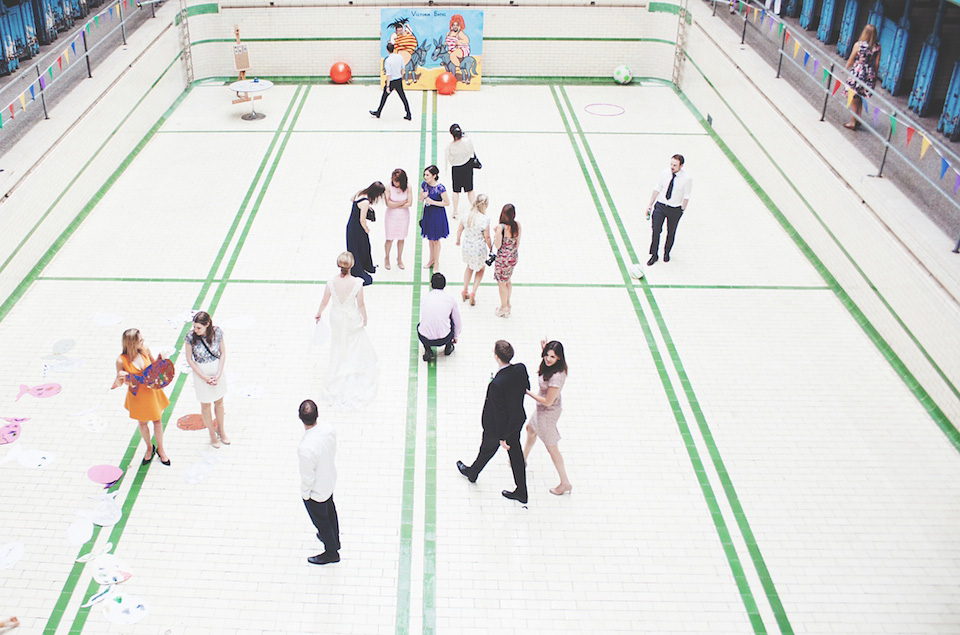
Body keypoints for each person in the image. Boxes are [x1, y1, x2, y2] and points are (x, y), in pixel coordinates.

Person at [457, 340, 531, 504]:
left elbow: (499, 413)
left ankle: (473, 472)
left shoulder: (496, 384)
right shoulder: (520, 369)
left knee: (487, 449)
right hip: (516, 420)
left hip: (498, 428)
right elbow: (527, 387)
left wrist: (502, 437)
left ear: (496, 357)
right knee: (516, 455)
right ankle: (521, 491)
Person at [315, 252, 378, 409]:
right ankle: (353, 366)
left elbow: (324, 300)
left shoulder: (331, 282)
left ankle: (339, 366)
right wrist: (365, 318)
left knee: (338, 343)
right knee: (354, 343)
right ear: (351, 265)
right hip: (351, 317)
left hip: (336, 317)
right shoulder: (357, 283)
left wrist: (319, 313)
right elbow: (361, 304)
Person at [111, 328, 171, 466]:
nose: (143, 342)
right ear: (131, 344)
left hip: (151, 392)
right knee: (142, 423)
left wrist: (160, 360)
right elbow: (119, 383)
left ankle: (161, 449)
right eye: (140, 340)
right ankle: (149, 447)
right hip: (137, 395)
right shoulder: (121, 360)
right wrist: (121, 378)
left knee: (157, 420)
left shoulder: (145, 350)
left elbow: (153, 367)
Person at [523, 340, 572, 496]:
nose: (548, 359)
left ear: (559, 358)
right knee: (530, 429)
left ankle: (565, 482)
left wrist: (527, 392)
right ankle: (522, 459)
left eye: (553, 356)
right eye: (547, 355)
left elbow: (548, 401)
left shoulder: (556, 377)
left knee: (552, 448)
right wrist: (545, 350)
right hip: (542, 410)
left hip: (547, 413)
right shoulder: (553, 365)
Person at [297, 399, 340, 565]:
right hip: (329, 479)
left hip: (316, 492)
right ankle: (333, 539)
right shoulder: (328, 429)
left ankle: (331, 551)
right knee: (330, 513)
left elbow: (308, 477)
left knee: (322, 521)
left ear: (300, 418)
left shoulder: (305, 447)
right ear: (317, 414)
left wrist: (305, 495)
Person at [184, 311, 230, 449]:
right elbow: (189, 360)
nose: (195, 330)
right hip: (201, 372)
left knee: (219, 401)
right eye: (194, 327)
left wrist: (219, 373)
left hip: (216, 369)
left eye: (199, 327)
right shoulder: (190, 337)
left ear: (207, 324)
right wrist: (203, 377)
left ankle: (221, 429)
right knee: (205, 405)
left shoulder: (217, 333)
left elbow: (222, 353)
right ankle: (211, 432)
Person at [645, 154, 692, 266]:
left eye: (675, 165)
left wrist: (682, 210)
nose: (672, 166)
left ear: (681, 165)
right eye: (671, 164)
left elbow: (686, 196)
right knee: (656, 230)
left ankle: (667, 252)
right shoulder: (664, 173)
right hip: (661, 205)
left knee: (671, 232)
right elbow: (657, 188)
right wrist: (650, 204)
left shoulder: (686, 179)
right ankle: (654, 254)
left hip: (674, 209)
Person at [417, 272, 462, 362]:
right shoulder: (450, 300)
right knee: (452, 320)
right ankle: (448, 347)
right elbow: (457, 322)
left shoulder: (425, 298)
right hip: (444, 338)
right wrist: (455, 336)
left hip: (425, 338)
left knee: (420, 324)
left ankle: (428, 350)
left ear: (431, 284)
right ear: (444, 285)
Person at [456, 193, 492, 305]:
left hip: (467, 247)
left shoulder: (467, 215)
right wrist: (491, 249)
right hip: (478, 248)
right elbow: (487, 237)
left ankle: (465, 289)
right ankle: (473, 292)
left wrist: (458, 240)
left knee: (469, 267)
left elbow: (459, 229)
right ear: (485, 205)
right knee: (480, 269)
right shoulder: (485, 219)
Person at [347, 182, 385, 286]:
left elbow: (351, 199)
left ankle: (362, 266)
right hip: (357, 228)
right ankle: (359, 269)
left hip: (351, 225)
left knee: (359, 247)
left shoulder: (360, 193)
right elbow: (362, 220)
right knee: (362, 247)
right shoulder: (365, 202)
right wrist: (366, 229)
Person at [845, 25, 880, 131]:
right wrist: (874, 75)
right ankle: (858, 119)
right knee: (860, 97)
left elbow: (851, 59)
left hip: (858, 72)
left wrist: (846, 68)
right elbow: (877, 63)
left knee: (854, 97)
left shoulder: (858, 45)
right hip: (869, 73)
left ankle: (852, 122)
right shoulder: (877, 46)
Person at [419, 165, 451, 271]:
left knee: (436, 240)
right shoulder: (424, 185)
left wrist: (433, 202)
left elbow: (447, 203)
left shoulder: (440, 188)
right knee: (430, 238)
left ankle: (437, 262)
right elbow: (420, 199)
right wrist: (423, 196)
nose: (425, 177)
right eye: (424, 174)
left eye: (427, 175)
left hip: (437, 214)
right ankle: (431, 259)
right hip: (428, 213)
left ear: (434, 175)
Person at [370, 42, 412, 121]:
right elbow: (403, 69)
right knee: (403, 97)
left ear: (387, 50)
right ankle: (409, 113)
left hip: (392, 81)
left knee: (384, 97)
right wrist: (401, 77)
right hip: (399, 80)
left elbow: (388, 74)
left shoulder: (388, 60)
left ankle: (378, 112)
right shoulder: (400, 57)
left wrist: (388, 86)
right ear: (394, 48)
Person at [492, 203, 520, 318]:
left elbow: (498, 246)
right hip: (513, 257)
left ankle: (503, 308)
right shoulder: (517, 225)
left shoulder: (501, 228)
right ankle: (507, 303)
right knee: (508, 280)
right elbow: (517, 244)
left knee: (501, 283)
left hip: (503, 259)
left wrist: (496, 234)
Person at [444, 123, 477, 219]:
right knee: (470, 190)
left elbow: (449, 159)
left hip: (456, 168)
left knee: (455, 190)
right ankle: (474, 208)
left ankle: (455, 211)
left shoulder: (450, 146)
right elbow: (471, 152)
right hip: (467, 166)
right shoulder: (467, 141)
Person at [384, 168, 411, 270]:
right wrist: (402, 203)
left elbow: (410, 203)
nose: (395, 183)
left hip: (403, 217)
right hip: (391, 216)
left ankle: (399, 259)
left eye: (397, 181)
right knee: (389, 238)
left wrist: (395, 204)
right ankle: (387, 258)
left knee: (401, 238)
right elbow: (388, 204)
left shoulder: (408, 187)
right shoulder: (388, 187)